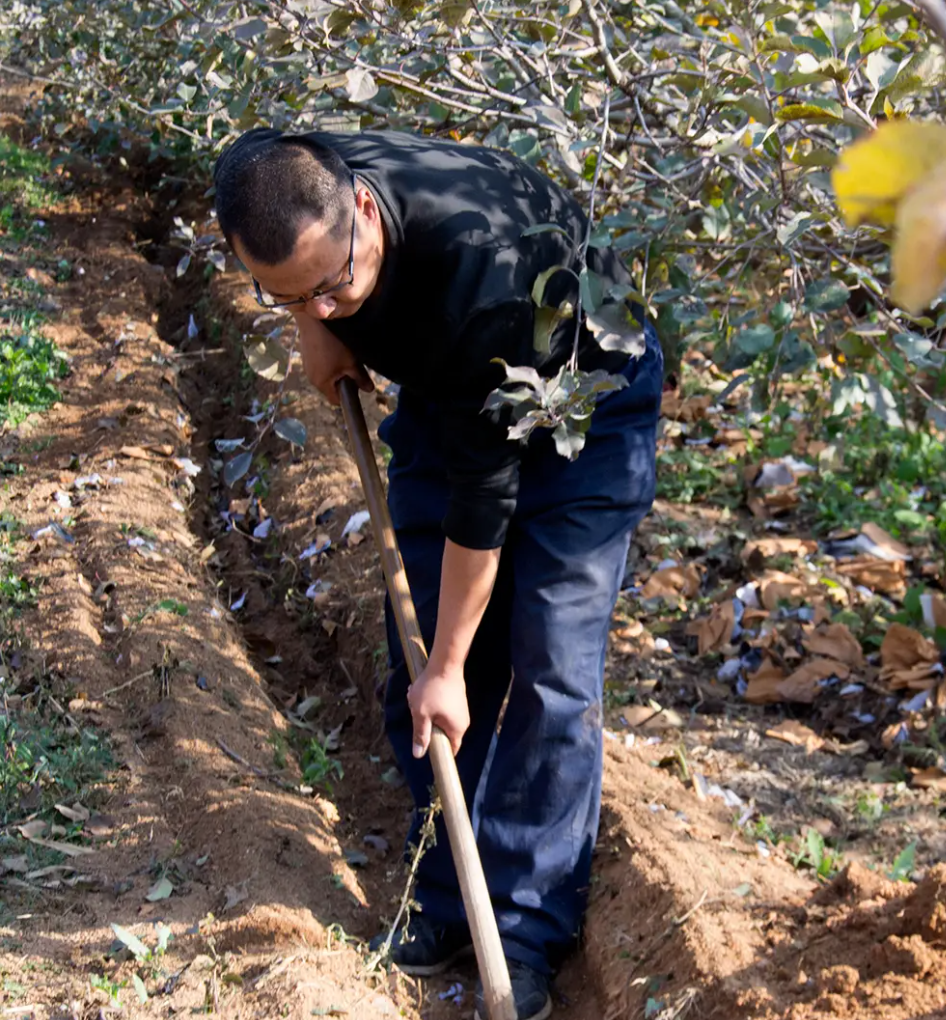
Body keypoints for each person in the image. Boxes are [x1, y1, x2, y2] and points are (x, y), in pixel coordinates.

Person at [212, 127, 662, 1020]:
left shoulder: (480, 274)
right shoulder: (277, 179)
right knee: (416, 678)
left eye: (335, 283)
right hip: (452, 396)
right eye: (290, 293)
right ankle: (450, 892)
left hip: (585, 410)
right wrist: (311, 321)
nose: (329, 307)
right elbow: (311, 266)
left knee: (547, 669)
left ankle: (527, 930)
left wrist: (452, 668)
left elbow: (480, 506)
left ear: (366, 212)